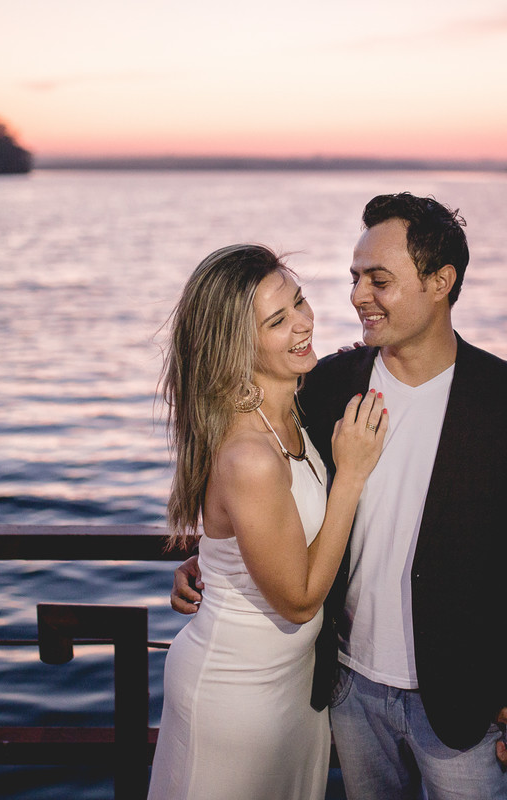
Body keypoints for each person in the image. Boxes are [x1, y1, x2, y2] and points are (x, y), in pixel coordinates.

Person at [173, 194, 507, 800]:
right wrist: (220, 558)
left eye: (379, 281)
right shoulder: (329, 385)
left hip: (462, 704)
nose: (358, 296)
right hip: (347, 692)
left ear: (441, 282)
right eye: (355, 278)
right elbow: (260, 485)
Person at [147, 243, 388, 800]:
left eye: (300, 301)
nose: (304, 323)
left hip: (294, 689)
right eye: (278, 321)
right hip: (237, 694)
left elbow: (265, 534)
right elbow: (300, 599)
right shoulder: (252, 454)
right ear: (238, 345)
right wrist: (350, 475)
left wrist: (211, 559)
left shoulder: (297, 410)